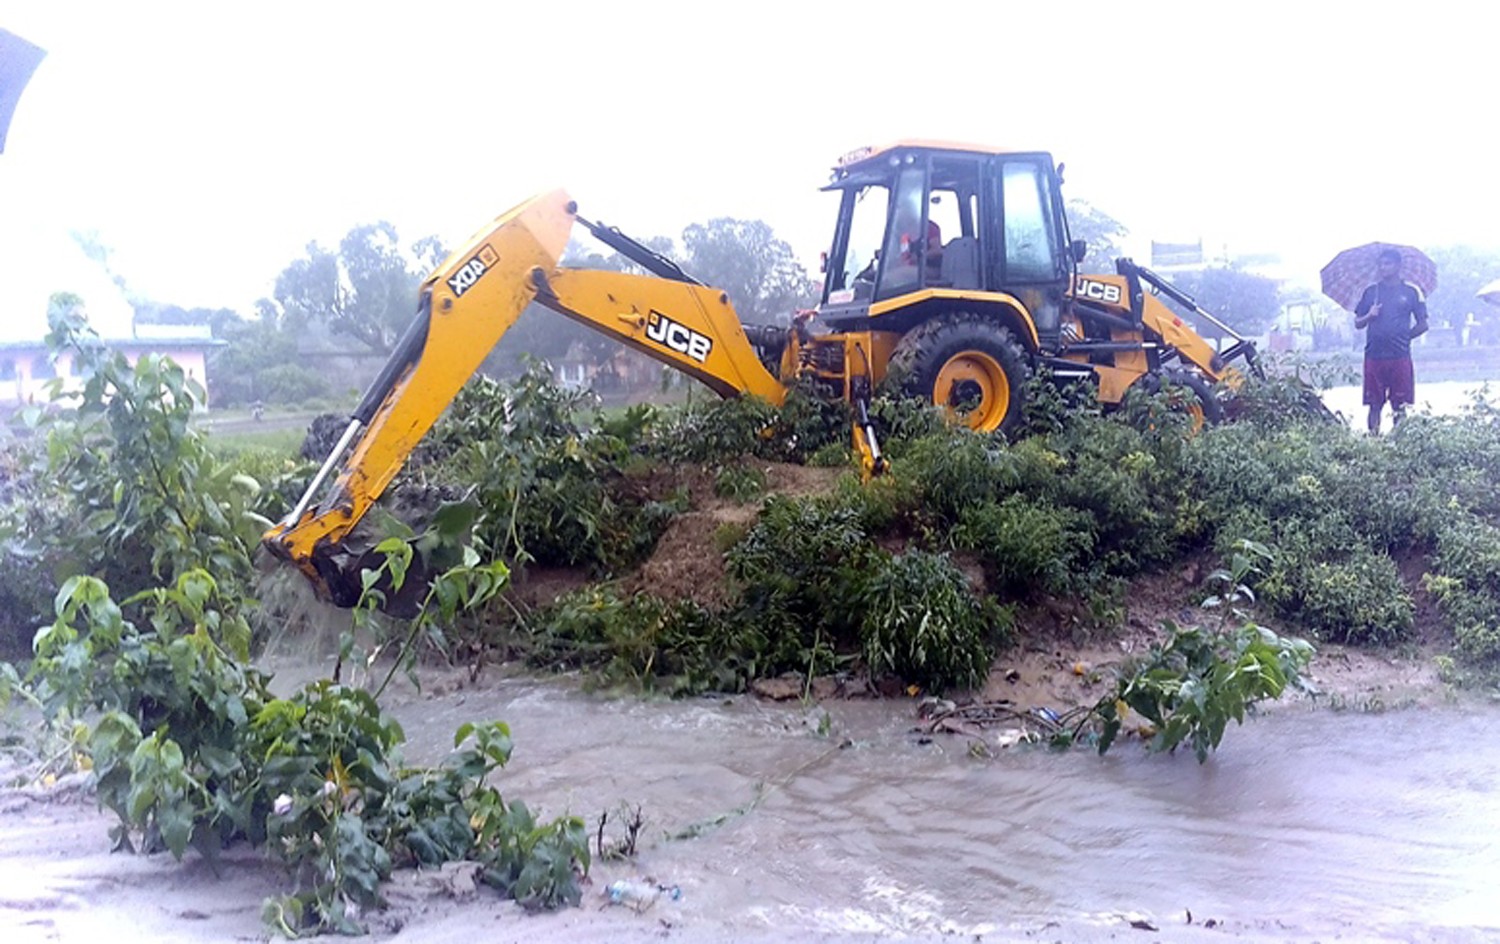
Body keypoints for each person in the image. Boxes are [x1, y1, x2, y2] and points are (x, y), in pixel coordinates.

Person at [1353, 248, 1428, 433]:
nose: (1383, 267)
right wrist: (1369, 315)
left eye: (1387, 263)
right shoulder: (1371, 292)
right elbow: (1357, 323)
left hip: (1400, 355)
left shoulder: (1411, 292)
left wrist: (1404, 336)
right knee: (1374, 403)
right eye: (1381, 264)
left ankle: (1401, 443)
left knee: (1400, 404)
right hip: (1374, 355)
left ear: (1398, 266)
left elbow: (1423, 325)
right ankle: (1373, 441)